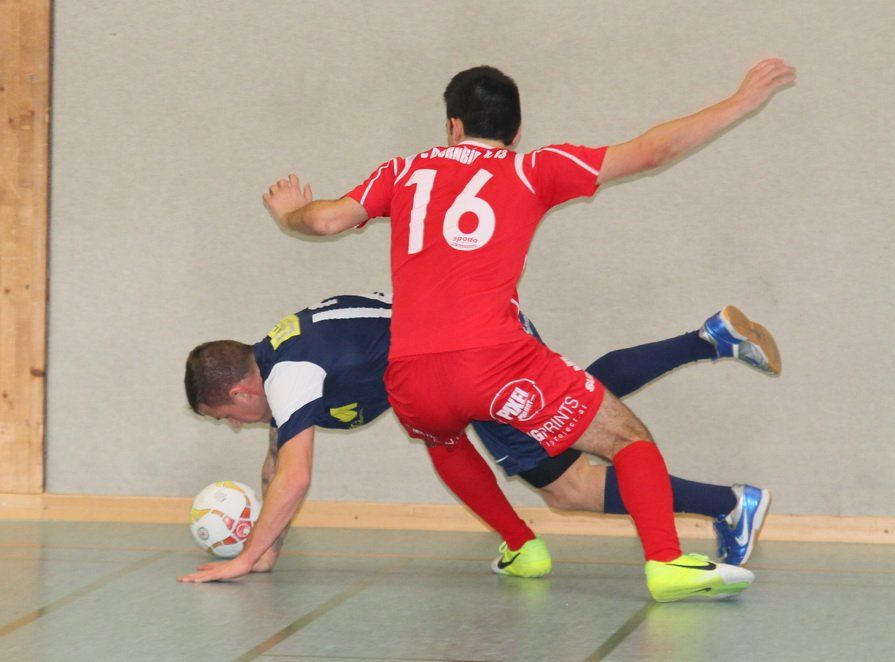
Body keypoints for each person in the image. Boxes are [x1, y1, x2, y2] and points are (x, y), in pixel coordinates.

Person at [260, 59, 795, 602]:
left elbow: (325, 220)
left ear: (453, 125)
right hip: (493, 359)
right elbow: (652, 151)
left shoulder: (402, 171)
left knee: (447, 440)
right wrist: (740, 102)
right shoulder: (531, 169)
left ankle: (522, 545)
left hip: (410, 375)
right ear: (516, 133)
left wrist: (290, 214)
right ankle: (666, 561)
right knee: (625, 438)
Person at [178, 293, 778, 586]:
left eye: (225, 416)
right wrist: (269, 548)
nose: (233, 426)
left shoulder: (289, 375)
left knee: (568, 482)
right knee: (574, 402)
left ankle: (730, 501)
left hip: (471, 352)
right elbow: (277, 460)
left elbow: (295, 474)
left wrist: (247, 558)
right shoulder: (278, 357)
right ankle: (709, 342)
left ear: (240, 391)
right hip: (462, 341)